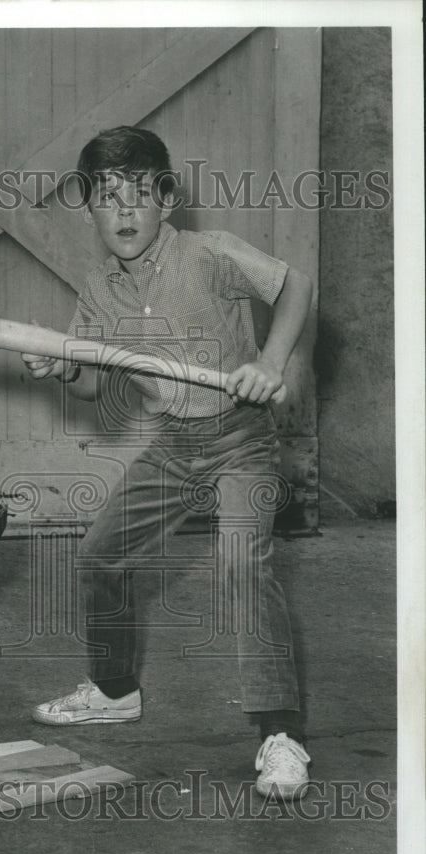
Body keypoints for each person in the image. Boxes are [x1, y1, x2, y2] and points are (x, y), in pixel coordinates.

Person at [22, 126, 314, 800]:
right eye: (105, 198)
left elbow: (295, 285)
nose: (123, 213)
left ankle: (280, 733)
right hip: (173, 445)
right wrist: (59, 366)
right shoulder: (98, 290)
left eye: (138, 196)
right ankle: (116, 687)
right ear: (90, 208)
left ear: (166, 198)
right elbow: (93, 381)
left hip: (241, 437)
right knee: (101, 553)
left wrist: (270, 362)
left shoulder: (210, 255)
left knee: (243, 562)